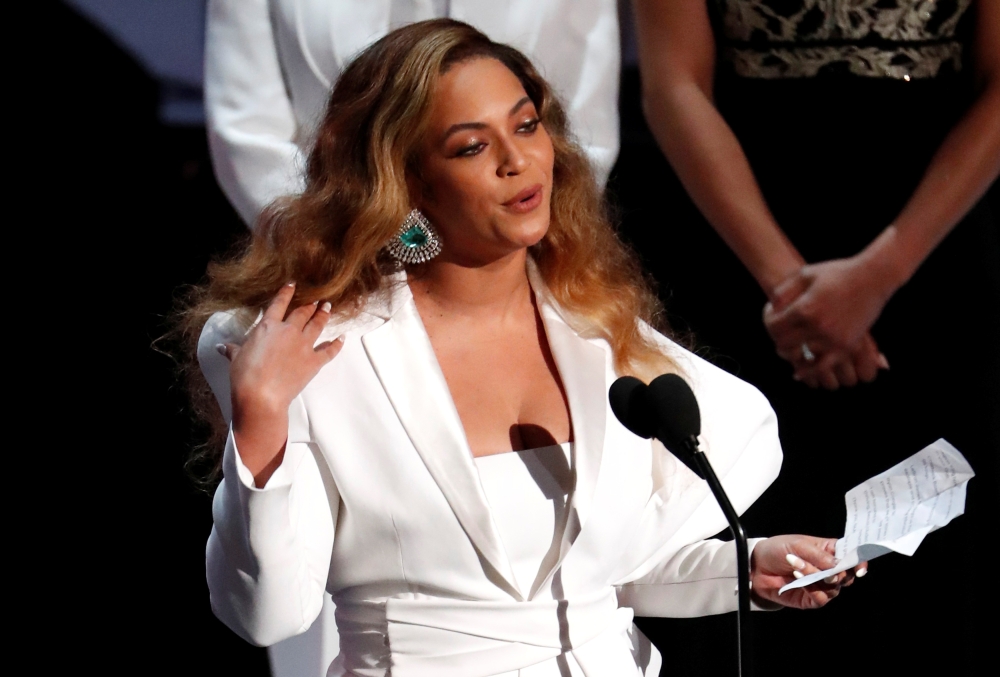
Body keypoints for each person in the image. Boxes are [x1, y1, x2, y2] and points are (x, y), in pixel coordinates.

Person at [185, 20, 862, 676]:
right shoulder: (314, 353)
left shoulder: (598, 330)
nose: (518, 161)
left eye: (526, 124)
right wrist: (261, 422)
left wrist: (745, 566)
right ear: (408, 183)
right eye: (471, 146)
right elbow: (266, 614)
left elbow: (592, 571)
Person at [629, 0, 999, 672]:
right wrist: (789, 288)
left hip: (935, 230)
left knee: (941, 554)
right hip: (737, 235)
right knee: (754, 504)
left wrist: (883, 271)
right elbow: (673, 84)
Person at [205, 0, 622, 228]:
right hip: (329, 256)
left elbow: (583, 134)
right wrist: (340, 244)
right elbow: (246, 128)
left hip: (517, 262)